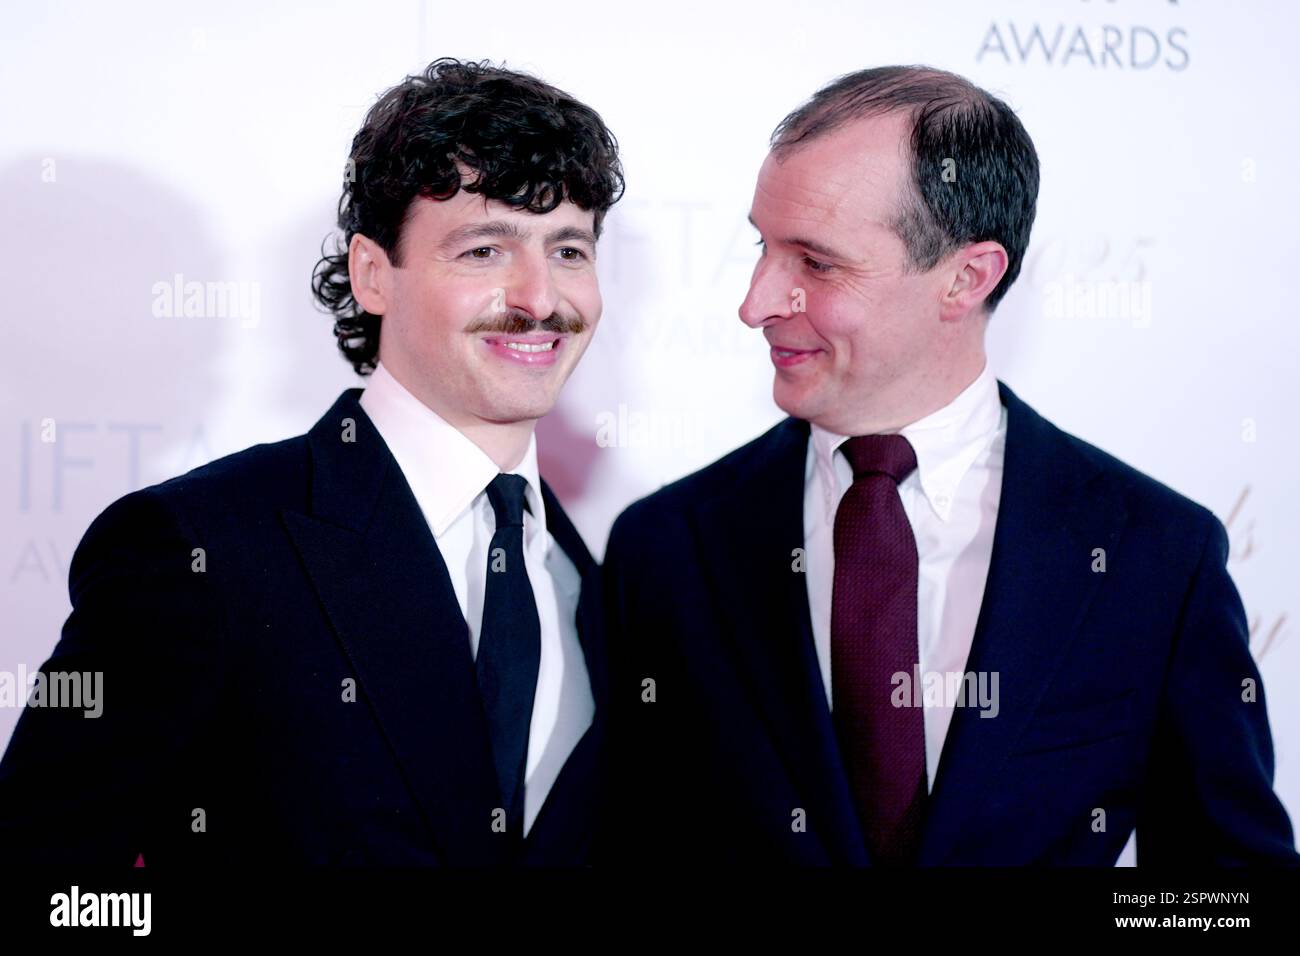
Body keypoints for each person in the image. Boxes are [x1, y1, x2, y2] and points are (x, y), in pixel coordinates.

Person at [602, 65, 1299, 866]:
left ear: (967, 277)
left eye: (816, 264)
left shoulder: (1154, 555)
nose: (757, 302)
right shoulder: (666, 548)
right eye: (763, 248)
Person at [0, 57, 624, 866]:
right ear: (373, 274)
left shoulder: (613, 578)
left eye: (569, 251)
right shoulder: (202, 549)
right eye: (484, 251)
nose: (541, 297)